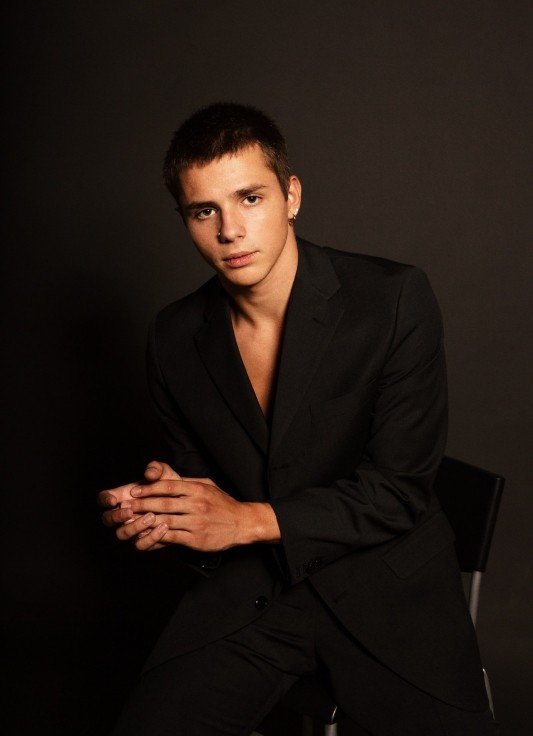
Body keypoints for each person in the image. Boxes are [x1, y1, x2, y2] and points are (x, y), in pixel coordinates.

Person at [99, 103, 497, 735]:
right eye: (204, 211)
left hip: (388, 599)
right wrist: (167, 514)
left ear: (292, 196)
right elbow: (208, 503)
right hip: (254, 599)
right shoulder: (173, 337)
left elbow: (398, 491)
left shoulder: (392, 299)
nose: (231, 231)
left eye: (250, 198)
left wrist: (242, 520)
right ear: (185, 219)